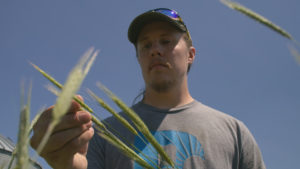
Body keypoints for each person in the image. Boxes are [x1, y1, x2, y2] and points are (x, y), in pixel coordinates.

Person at [30, 8, 266, 169]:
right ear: (139, 58)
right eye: (146, 45)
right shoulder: (101, 135)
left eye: (166, 41)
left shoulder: (235, 132)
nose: (155, 50)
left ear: (191, 55)